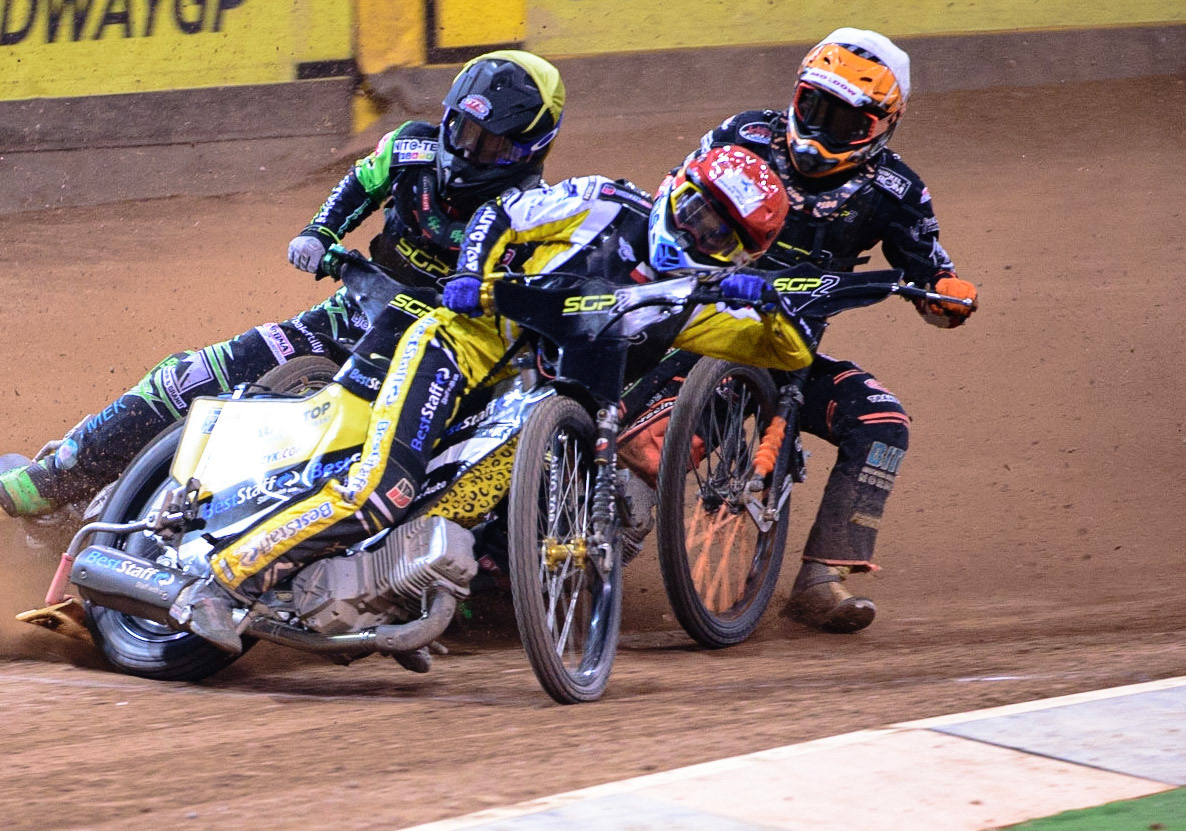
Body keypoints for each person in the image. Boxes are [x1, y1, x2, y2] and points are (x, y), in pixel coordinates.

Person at [173, 144, 817, 654]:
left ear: (745, 253)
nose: (698, 236)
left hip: (520, 406)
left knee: (450, 519)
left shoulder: (692, 303)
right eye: (696, 212)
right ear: (675, 187)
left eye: (720, 238)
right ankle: (219, 583)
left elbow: (790, 353)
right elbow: (503, 213)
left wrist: (772, 302)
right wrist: (470, 277)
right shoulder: (602, 201)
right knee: (381, 491)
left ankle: (385, 600)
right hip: (458, 346)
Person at [0, 50, 566, 518]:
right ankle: (63, 473)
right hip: (352, 317)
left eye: (487, 142)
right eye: (460, 127)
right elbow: (361, 184)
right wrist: (320, 232)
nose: (464, 148)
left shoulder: (540, 213)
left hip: (441, 363)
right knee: (194, 373)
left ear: (528, 149)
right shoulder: (412, 145)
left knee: (471, 464)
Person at [663, 27, 978, 633]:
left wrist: (947, 297)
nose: (822, 130)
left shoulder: (897, 191)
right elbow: (668, 201)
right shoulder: (744, 136)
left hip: (791, 353)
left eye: (847, 122)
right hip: (689, 326)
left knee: (883, 423)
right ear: (796, 93)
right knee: (637, 427)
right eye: (814, 107)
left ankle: (819, 580)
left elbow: (931, 273)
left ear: (884, 126)